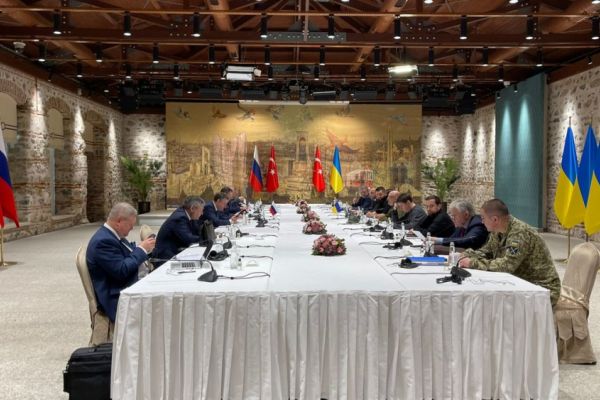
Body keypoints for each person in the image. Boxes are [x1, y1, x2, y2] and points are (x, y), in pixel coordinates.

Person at [458, 198, 561, 306]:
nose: (482, 222)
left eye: (483, 218)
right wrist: (467, 254)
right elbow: (487, 251)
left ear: (495, 219)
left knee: (489, 302)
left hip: (541, 289)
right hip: (519, 283)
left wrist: (472, 263)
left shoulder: (519, 233)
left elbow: (507, 266)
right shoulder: (498, 231)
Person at [86, 202, 155, 325]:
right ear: (119, 221)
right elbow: (121, 270)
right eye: (130, 225)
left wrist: (144, 247)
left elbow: (127, 252)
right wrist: (141, 249)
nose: (132, 228)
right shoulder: (103, 241)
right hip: (117, 296)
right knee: (162, 300)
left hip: (125, 284)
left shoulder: (112, 235)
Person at [153, 196, 206, 266]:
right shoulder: (180, 217)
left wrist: (205, 235)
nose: (202, 213)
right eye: (201, 210)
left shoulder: (186, 214)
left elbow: (196, 231)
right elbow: (189, 239)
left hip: (175, 250)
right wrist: (206, 238)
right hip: (165, 257)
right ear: (192, 208)